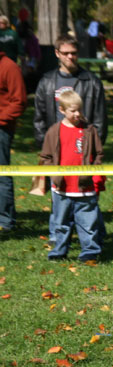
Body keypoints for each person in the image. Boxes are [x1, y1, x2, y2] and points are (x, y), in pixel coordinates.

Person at [33, 34, 107, 243]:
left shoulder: (92, 82)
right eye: (65, 53)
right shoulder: (47, 81)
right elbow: (38, 117)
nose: (70, 57)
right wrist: (45, 148)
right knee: (59, 195)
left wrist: (94, 149)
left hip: (83, 150)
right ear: (57, 53)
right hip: (57, 151)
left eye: (73, 53)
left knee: (87, 195)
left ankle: (95, 234)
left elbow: (100, 120)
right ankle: (57, 237)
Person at [39, 90, 104, 262]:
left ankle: (90, 251)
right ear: (62, 110)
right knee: (60, 223)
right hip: (61, 188)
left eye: (79, 110)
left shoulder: (90, 131)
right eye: (72, 111)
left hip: (84, 188)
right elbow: (45, 157)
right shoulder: (54, 131)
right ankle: (59, 251)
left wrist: (94, 173)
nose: (77, 114)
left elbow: (99, 154)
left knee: (88, 223)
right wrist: (53, 174)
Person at [0, 47, 26, 233]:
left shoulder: (9, 67)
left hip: (2, 129)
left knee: (1, 174)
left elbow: (19, 101)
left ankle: (5, 220)